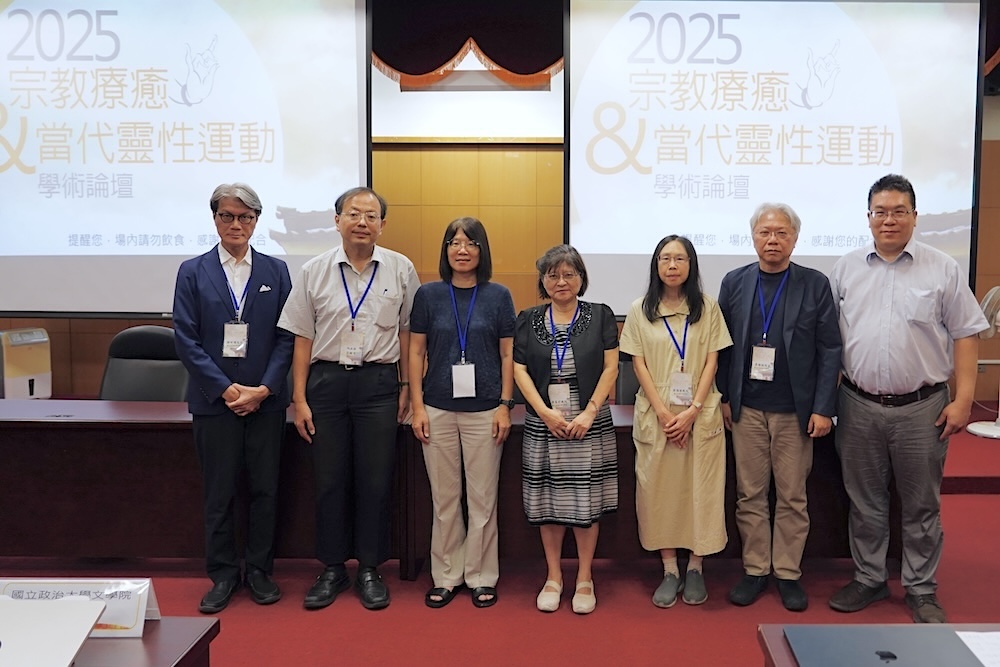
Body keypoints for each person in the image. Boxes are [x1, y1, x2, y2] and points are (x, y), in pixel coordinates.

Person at [828, 174, 988, 623]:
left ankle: (921, 587)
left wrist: (964, 400)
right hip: (857, 404)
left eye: (899, 211)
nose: (889, 220)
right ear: (868, 218)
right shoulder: (846, 268)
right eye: (881, 212)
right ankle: (869, 578)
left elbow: (967, 335)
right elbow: (829, 340)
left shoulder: (943, 268)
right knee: (865, 502)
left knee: (921, 505)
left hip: (923, 408)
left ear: (915, 217)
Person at [277, 186, 419, 611]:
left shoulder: (400, 268)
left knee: (375, 480)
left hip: (379, 385)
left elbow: (409, 334)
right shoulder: (314, 270)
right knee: (329, 479)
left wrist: (406, 388)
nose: (362, 222)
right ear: (337, 220)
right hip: (326, 384)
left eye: (371, 216)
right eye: (354, 214)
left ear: (382, 224)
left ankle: (371, 568)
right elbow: (302, 337)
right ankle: (333, 567)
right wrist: (299, 398)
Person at [173, 182, 294, 613]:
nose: (236, 224)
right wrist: (225, 388)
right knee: (219, 494)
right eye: (227, 215)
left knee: (265, 491)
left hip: (265, 402)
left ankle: (259, 572)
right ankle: (223, 575)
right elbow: (186, 339)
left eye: (245, 217)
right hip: (214, 403)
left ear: (256, 221)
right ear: (215, 219)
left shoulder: (276, 271)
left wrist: (264, 389)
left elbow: (287, 336)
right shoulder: (193, 271)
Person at [716, 203, 842, 612]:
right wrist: (723, 397)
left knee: (792, 496)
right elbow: (721, 347)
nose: (773, 240)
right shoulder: (735, 282)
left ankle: (787, 572)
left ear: (795, 238)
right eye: (765, 232)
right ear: (753, 236)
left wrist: (823, 407)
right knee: (749, 494)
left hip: (795, 411)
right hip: (747, 409)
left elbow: (830, 348)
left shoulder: (814, 284)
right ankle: (755, 569)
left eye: (781, 232)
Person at [619, 235, 732, 608]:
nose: (672, 265)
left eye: (680, 258)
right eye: (665, 258)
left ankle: (696, 567)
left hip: (700, 412)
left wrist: (693, 410)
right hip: (658, 415)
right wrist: (666, 414)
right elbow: (638, 365)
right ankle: (670, 569)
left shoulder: (708, 307)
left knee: (702, 490)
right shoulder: (639, 309)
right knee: (659, 492)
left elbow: (713, 360)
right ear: (656, 264)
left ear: (691, 265)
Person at [408, 217, 516, 609]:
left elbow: (508, 353)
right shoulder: (428, 295)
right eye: (454, 242)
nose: (462, 250)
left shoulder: (498, 295)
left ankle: (481, 576)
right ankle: (447, 576)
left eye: (471, 243)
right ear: (446, 250)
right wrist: (417, 406)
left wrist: (505, 405)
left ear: (482, 251)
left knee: (483, 499)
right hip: (437, 408)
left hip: (485, 410)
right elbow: (415, 351)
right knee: (445, 499)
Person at [513, 245, 619, 614]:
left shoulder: (600, 315)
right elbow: (519, 369)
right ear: (543, 280)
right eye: (553, 275)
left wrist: (589, 412)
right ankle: (554, 576)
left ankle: (585, 577)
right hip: (545, 421)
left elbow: (611, 367)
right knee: (548, 500)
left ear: (581, 279)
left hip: (589, 419)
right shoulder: (527, 319)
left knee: (586, 500)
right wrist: (544, 412)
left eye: (569, 274)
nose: (561, 281)